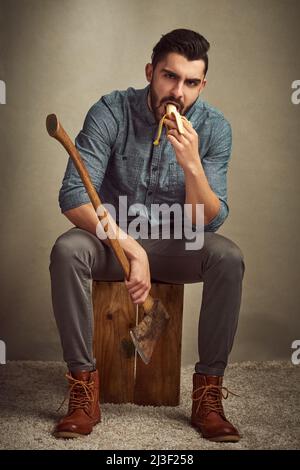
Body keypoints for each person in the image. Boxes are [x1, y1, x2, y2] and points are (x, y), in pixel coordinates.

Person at [49, 28, 245, 442]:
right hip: (112, 239)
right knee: (67, 249)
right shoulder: (111, 111)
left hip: (177, 243)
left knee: (227, 256)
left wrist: (192, 164)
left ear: (202, 85)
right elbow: (72, 196)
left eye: (191, 82)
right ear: (150, 72)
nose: (178, 92)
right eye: (169, 77)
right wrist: (131, 246)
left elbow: (206, 223)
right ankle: (83, 388)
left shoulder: (213, 128)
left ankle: (208, 394)